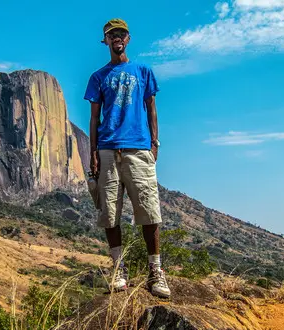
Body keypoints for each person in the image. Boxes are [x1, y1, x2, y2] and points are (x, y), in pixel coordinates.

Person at [83, 18, 170, 299]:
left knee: (148, 211)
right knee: (109, 213)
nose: (116, 38)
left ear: (128, 38)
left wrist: (154, 144)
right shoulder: (98, 77)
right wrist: (93, 154)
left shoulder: (143, 71)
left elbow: (151, 107)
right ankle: (118, 269)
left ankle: (155, 271)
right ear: (105, 41)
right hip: (108, 150)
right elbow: (94, 118)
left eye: (120, 34)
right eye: (111, 35)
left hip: (138, 148)